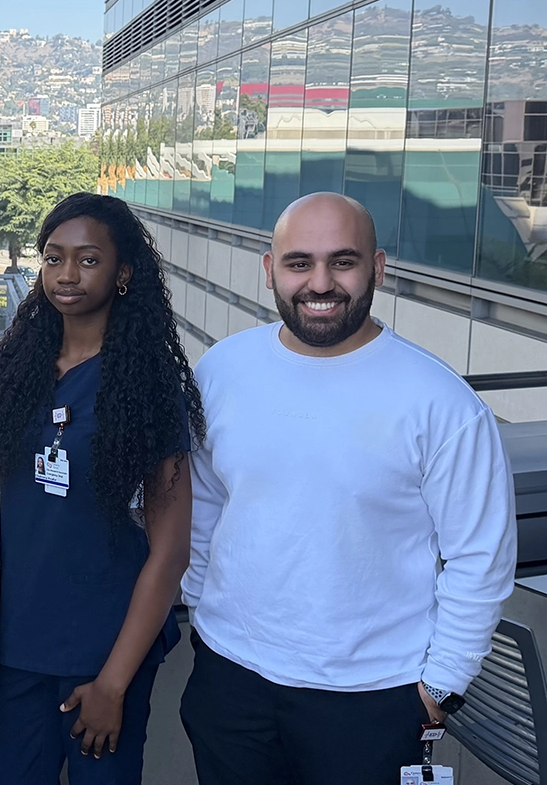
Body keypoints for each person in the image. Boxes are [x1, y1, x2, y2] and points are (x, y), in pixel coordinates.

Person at [179, 192, 517, 785]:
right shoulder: (223, 370)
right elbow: (203, 504)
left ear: (378, 268)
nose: (320, 282)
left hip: (374, 697)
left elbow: (480, 558)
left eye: (343, 261)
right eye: (299, 262)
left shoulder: (441, 402)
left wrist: (442, 684)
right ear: (269, 270)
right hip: (231, 679)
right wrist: (206, 619)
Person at [0, 192, 204, 785]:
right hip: (12, 651)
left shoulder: (147, 388)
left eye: (87, 259)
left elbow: (171, 550)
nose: (67, 274)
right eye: (53, 258)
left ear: (123, 273)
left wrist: (113, 681)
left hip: (103, 655)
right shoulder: (15, 371)